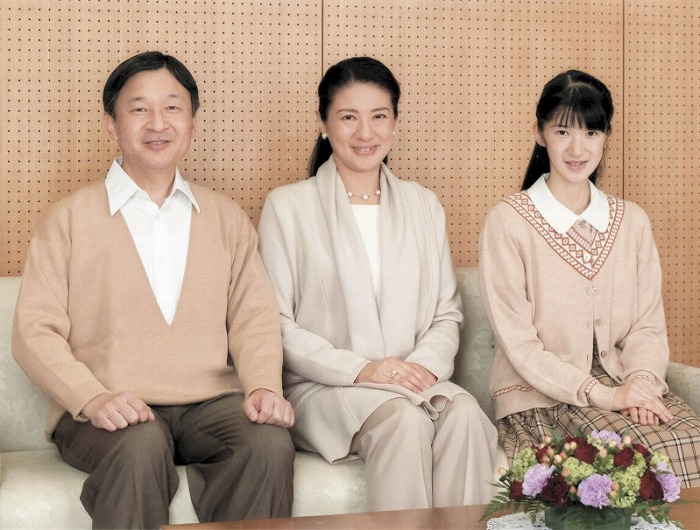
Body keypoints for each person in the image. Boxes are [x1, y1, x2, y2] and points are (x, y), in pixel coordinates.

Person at [12, 51, 295, 528]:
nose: (158, 123)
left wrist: (264, 385)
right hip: (105, 408)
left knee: (267, 443)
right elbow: (33, 333)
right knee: (139, 446)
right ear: (111, 123)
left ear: (193, 122)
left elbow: (255, 319)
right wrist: (92, 397)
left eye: (172, 107)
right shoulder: (68, 219)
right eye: (139, 109)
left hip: (211, 405)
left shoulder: (226, 218)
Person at [257, 56, 498, 511]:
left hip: (415, 380)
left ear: (395, 123)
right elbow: (275, 323)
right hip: (326, 388)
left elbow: (447, 312)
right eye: (348, 117)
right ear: (324, 123)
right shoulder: (288, 207)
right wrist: (362, 370)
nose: (365, 133)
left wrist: (421, 368)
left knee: (465, 412)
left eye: (379, 117)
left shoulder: (423, 205)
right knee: (403, 420)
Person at [478, 69, 700, 486]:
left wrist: (639, 385)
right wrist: (607, 395)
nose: (577, 148)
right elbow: (520, 346)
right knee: (631, 462)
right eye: (563, 131)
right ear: (540, 134)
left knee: (690, 445)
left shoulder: (632, 221)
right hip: (543, 398)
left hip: (623, 386)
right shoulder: (508, 222)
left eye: (591, 133)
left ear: (606, 137)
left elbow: (648, 326)